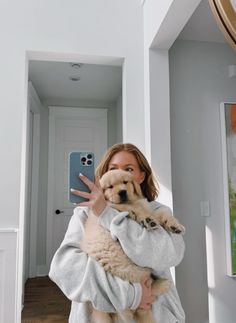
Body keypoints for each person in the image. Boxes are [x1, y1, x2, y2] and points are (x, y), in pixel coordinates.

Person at [49, 143, 185, 323]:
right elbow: (64, 269)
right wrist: (132, 294)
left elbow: (165, 256)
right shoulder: (84, 213)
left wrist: (107, 215)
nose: (121, 179)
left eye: (129, 169)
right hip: (99, 314)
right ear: (104, 177)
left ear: (141, 176)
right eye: (113, 169)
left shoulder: (158, 211)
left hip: (154, 312)